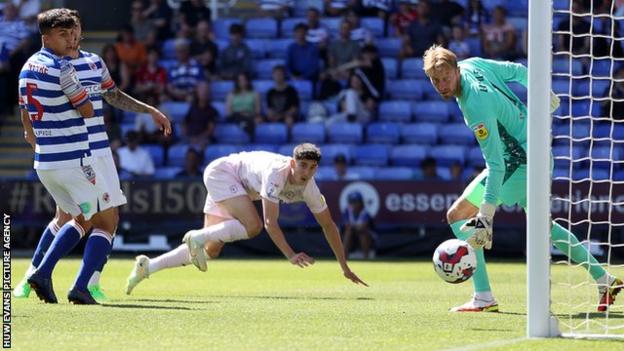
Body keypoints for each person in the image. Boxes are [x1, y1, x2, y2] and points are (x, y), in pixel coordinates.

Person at [422, 44, 622, 312]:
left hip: (518, 163)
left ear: (456, 71)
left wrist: (486, 215)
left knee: (457, 215)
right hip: (537, 151)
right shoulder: (473, 64)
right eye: (436, 80)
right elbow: (517, 70)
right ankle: (604, 279)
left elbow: (495, 165)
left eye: (446, 78)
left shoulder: (475, 105)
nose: (442, 85)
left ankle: (483, 296)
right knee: (544, 228)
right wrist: (543, 93)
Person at [15, 9, 172, 304]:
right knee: (91, 218)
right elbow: (83, 108)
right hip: (76, 153)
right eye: (64, 33)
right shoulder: (60, 68)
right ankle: (49, 278)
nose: (72, 37)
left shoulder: (91, 61)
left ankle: (72, 280)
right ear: (47, 37)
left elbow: (112, 94)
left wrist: (148, 110)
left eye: (75, 30)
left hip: (93, 150)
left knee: (84, 216)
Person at [126, 144, 368, 294]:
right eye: (302, 165)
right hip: (223, 174)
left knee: (210, 250)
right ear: (293, 163)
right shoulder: (276, 174)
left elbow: (328, 225)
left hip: (235, 185)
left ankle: (147, 267)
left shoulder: (311, 188)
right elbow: (270, 223)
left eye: (312, 167)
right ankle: (197, 236)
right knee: (252, 227)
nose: (306, 172)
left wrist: (344, 266)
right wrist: (291, 255)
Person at [342, 192, 374, 259]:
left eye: (356, 202)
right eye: (352, 202)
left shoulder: (365, 213)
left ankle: (366, 257)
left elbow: (363, 227)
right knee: (348, 232)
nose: (354, 204)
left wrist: (353, 226)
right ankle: (344, 257)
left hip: (365, 237)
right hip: (351, 236)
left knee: (362, 233)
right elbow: (347, 226)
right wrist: (356, 226)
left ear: (361, 203)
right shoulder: (347, 212)